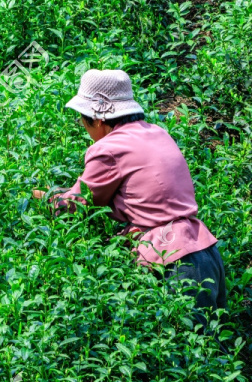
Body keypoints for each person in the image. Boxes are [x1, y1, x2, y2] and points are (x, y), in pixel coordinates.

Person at [34, 69, 227, 331]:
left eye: (82, 118)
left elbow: (78, 205)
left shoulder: (109, 148)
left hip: (174, 262)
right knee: (210, 351)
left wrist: (44, 198)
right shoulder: (157, 132)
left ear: (98, 119)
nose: (82, 125)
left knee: (183, 356)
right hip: (205, 252)